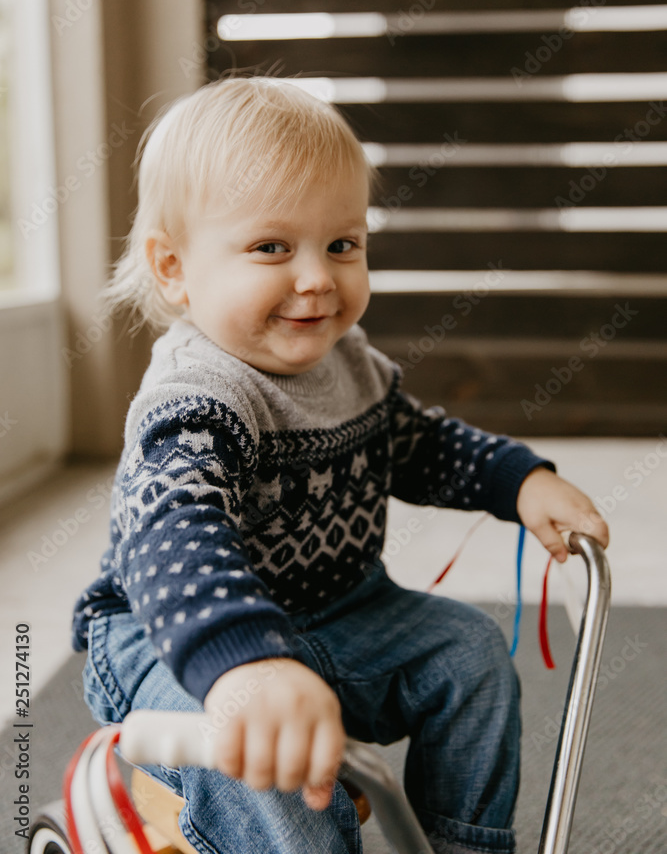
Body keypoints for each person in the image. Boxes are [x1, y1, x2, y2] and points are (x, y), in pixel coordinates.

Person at [72, 76, 609, 854]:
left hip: (336, 615)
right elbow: (172, 537)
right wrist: (244, 665)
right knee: (254, 763)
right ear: (172, 269)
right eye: (270, 248)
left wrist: (519, 479)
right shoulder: (196, 400)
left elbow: (418, 445)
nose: (318, 277)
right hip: (180, 641)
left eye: (342, 245)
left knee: (470, 652)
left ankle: (462, 843)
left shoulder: (348, 360)